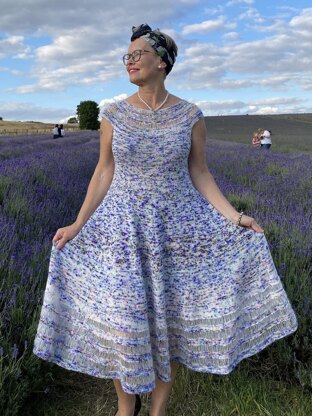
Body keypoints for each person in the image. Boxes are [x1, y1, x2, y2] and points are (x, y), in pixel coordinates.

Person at [33, 23, 297, 416]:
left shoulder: (190, 115)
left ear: (163, 61)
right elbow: (104, 171)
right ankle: (126, 407)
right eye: (127, 56)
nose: (130, 61)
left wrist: (234, 216)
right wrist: (77, 224)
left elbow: (201, 172)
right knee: (124, 318)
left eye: (137, 54)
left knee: (174, 320)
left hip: (178, 229)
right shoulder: (114, 114)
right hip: (122, 229)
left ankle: (157, 409)